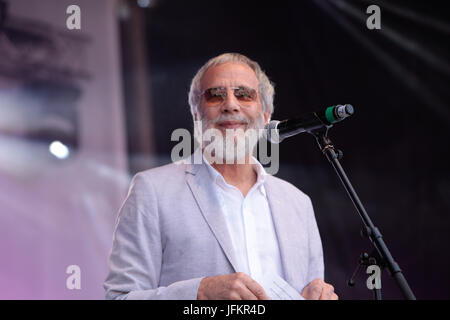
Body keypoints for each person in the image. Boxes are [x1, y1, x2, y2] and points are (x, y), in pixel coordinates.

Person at [104, 53, 338, 300]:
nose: (231, 105)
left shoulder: (298, 202)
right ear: (196, 113)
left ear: (266, 114)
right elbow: (119, 298)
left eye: (244, 94)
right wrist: (199, 293)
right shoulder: (152, 190)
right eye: (215, 95)